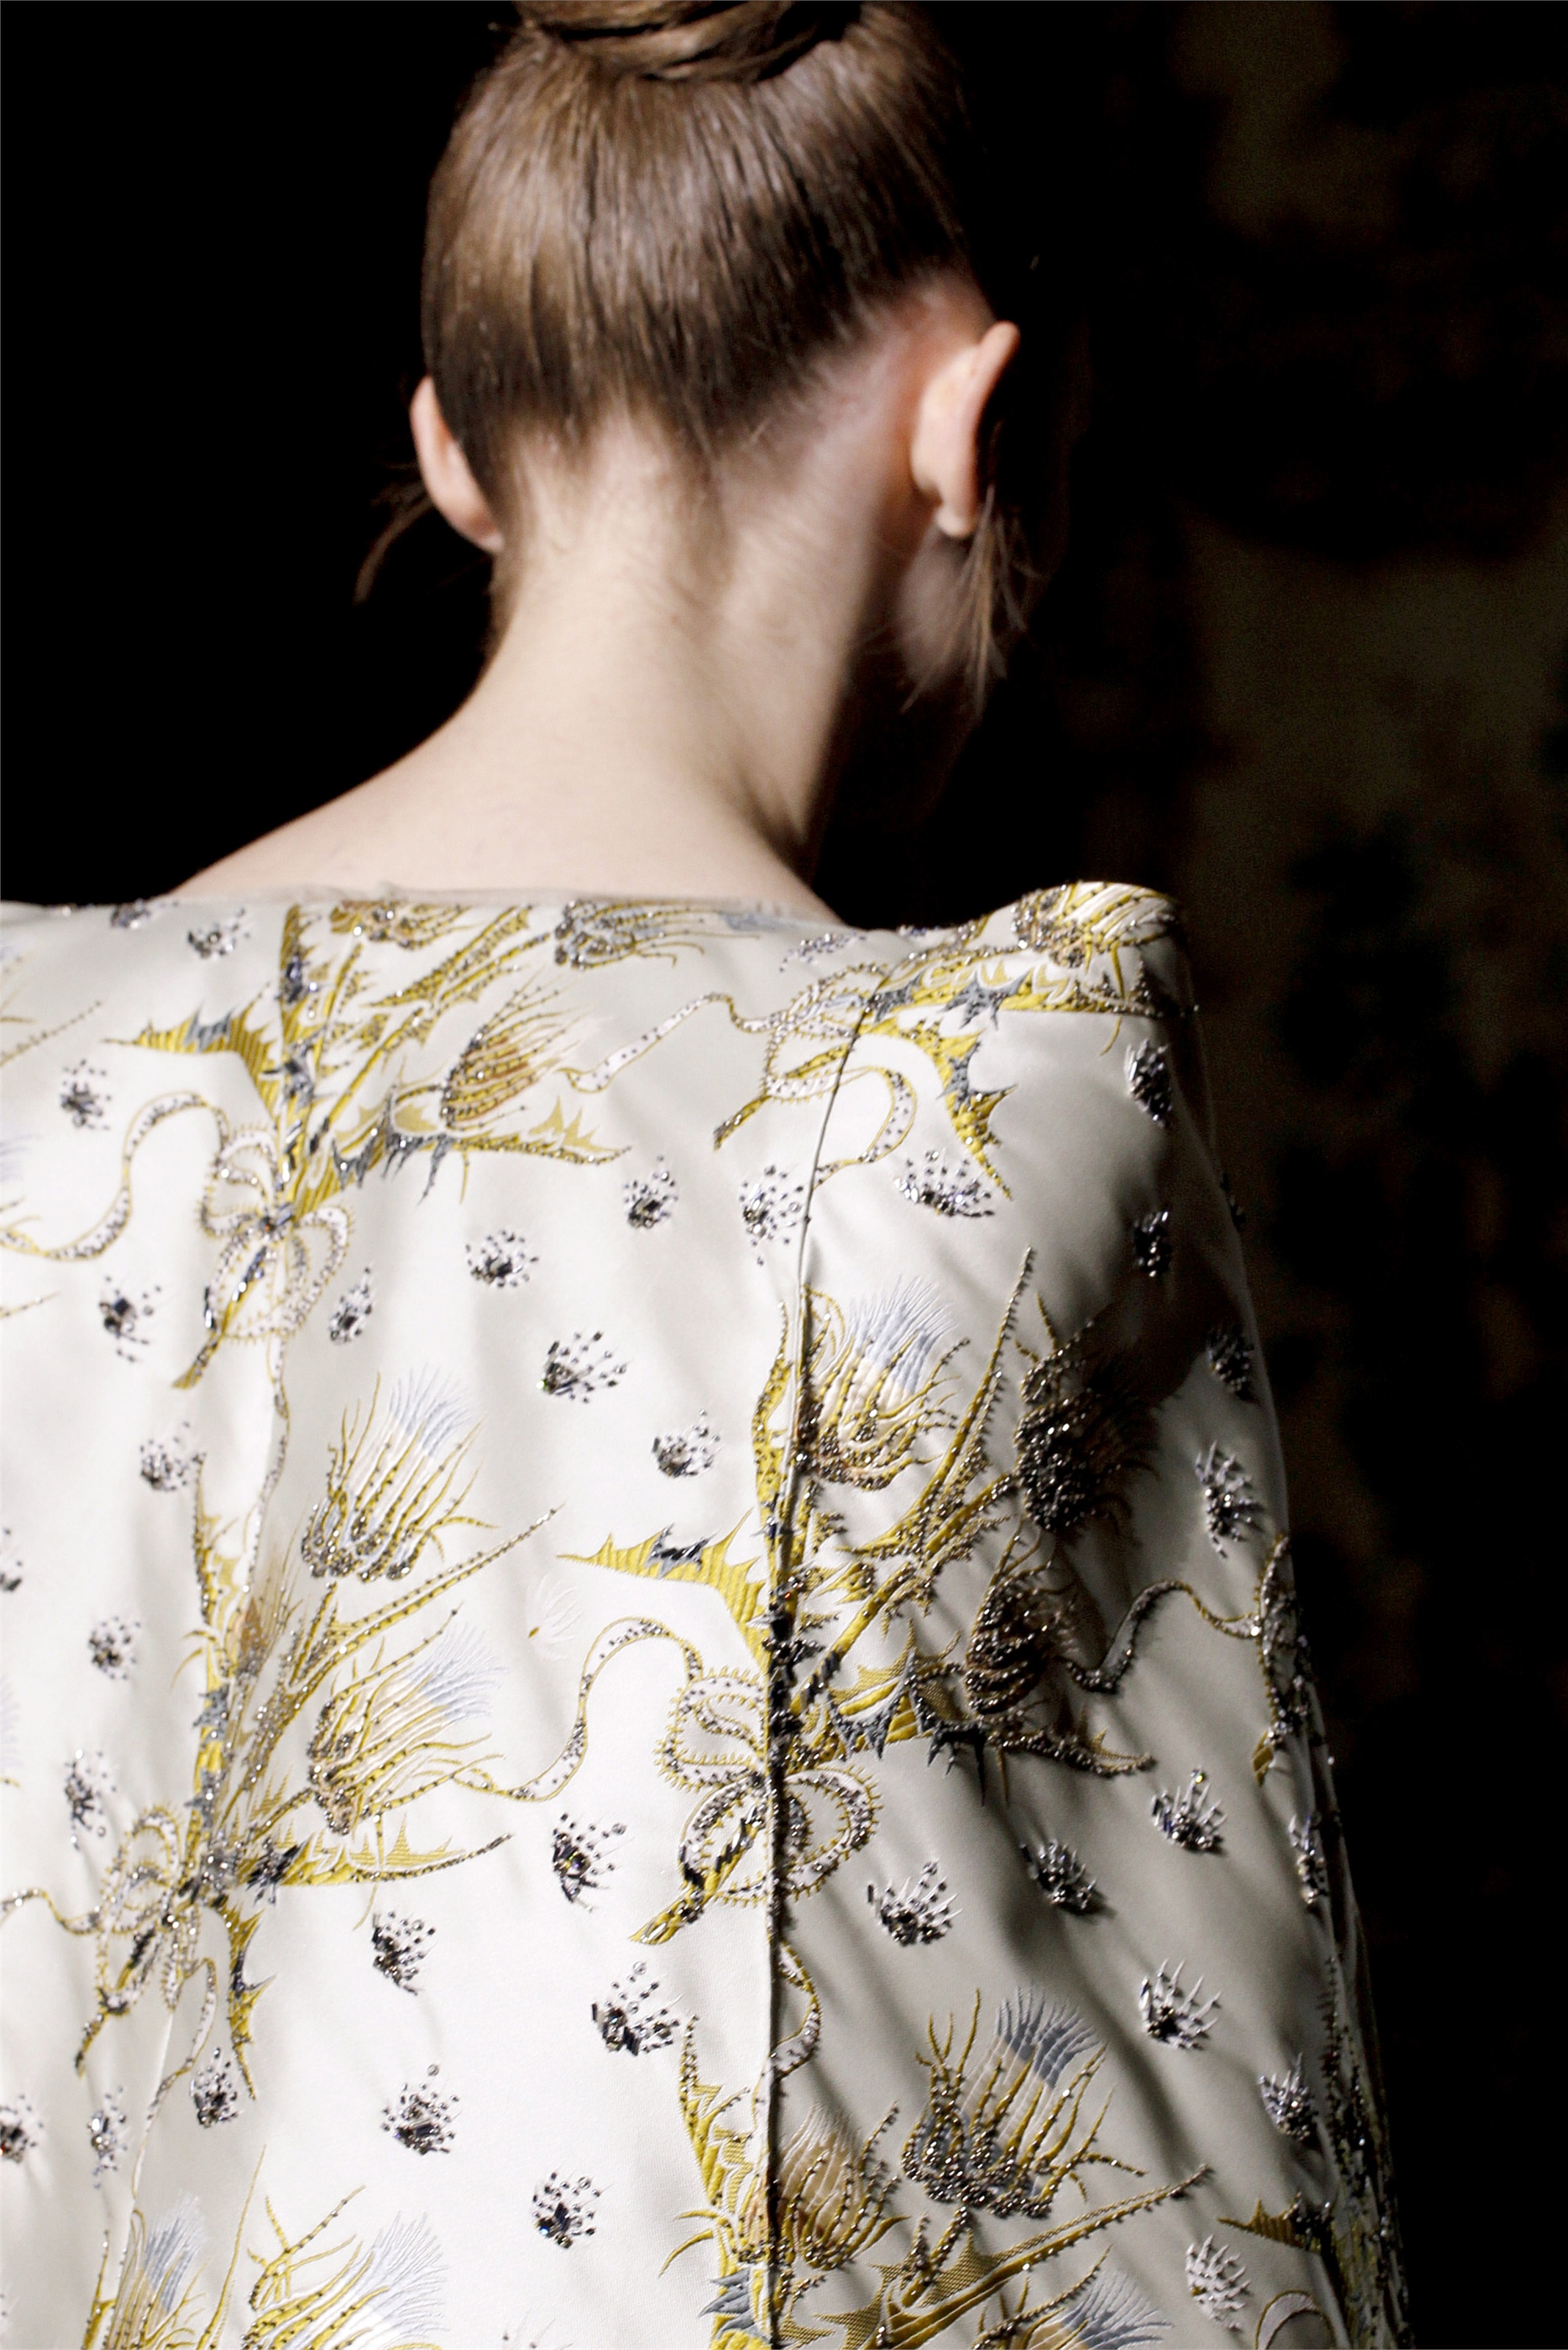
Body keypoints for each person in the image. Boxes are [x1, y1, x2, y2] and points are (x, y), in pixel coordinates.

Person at [0, 7, 1407, 2346]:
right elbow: (1183, 2212)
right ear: (975, 434)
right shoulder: (975, 1101)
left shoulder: (29, 1057)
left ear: (456, 456)